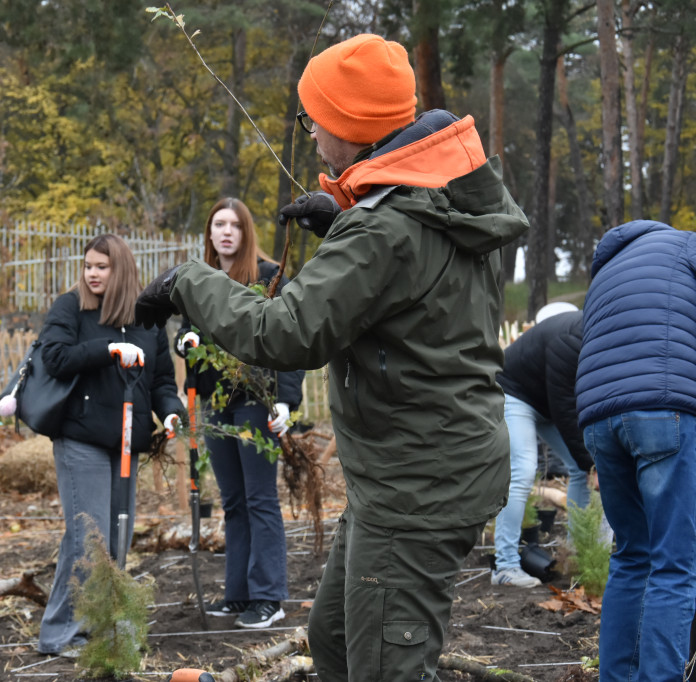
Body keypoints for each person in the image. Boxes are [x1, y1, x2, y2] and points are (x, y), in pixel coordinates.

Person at [135, 33, 529, 681]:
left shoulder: (383, 230)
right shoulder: (435, 203)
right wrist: (345, 212)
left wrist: (188, 282)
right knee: (337, 639)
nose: (312, 134)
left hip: (417, 487)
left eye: (315, 118)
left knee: (384, 668)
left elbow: (283, 333)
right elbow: (405, 284)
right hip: (418, 472)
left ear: (350, 125)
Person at [34, 234, 184, 657]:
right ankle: (61, 632)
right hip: (81, 438)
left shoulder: (148, 318)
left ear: (122, 271)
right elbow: (55, 357)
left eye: (102, 266)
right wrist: (108, 349)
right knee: (88, 538)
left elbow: (161, 382)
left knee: (117, 537)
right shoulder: (72, 307)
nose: (92, 274)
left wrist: (170, 412)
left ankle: (103, 627)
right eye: (88, 266)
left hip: (126, 443)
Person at [175, 198, 304, 629]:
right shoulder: (202, 281)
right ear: (209, 234)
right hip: (215, 407)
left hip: (255, 404)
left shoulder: (268, 278)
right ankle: (238, 595)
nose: (226, 232)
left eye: (235, 225)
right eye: (218, 224)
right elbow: (187, 333)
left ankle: (269, 596)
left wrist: (286, 400)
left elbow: (293, 338)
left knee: (259, 499)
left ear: (247, 232)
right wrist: (186, 343)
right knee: (232, 502)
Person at [575, 219, 696, 681]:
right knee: (675, 564)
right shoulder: (686, 246)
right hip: (662, 411)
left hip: (598, 420)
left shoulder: (607, 271)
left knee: (631, 555)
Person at [491, 305, 593, 588]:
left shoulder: (598, 341)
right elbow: (565, 409)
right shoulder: (570, 339)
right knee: (523, 469)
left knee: (580, 470)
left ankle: (574, 556)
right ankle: (505, 566)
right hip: (515, 391)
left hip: (544, 399)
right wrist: (592, 463)